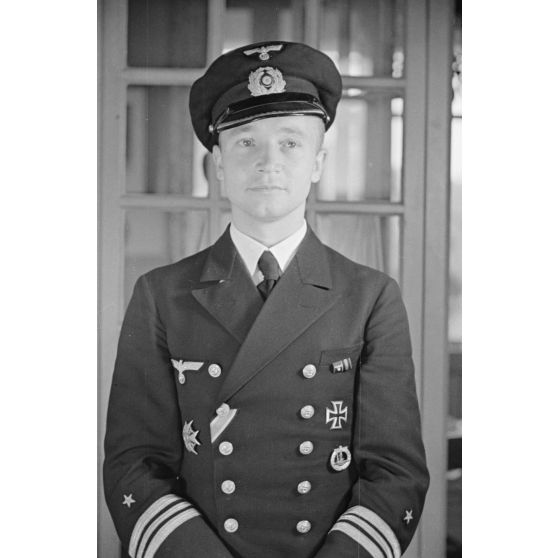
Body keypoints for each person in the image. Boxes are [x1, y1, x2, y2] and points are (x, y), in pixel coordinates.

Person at [104, 41, 429, 558]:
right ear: (217, 164)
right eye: (246, 143)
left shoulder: (370, 298)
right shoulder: (161, 295)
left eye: (290, 143)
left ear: (318, 162)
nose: (268, 162)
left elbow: (395, 472)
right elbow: (134, 465)